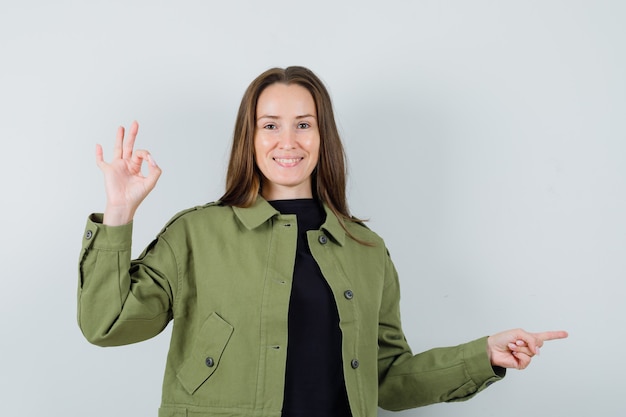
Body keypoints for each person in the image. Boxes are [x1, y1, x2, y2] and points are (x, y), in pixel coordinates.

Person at [77, 66, 568, 417]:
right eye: (269, 125)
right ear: (249, 137)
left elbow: (387, 381)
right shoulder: (196, 235)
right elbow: (107, 324)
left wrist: (482, 354)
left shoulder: (366, 250)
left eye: (303, 124)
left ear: (322, 135)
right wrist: (120, 213)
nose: (286, 141)